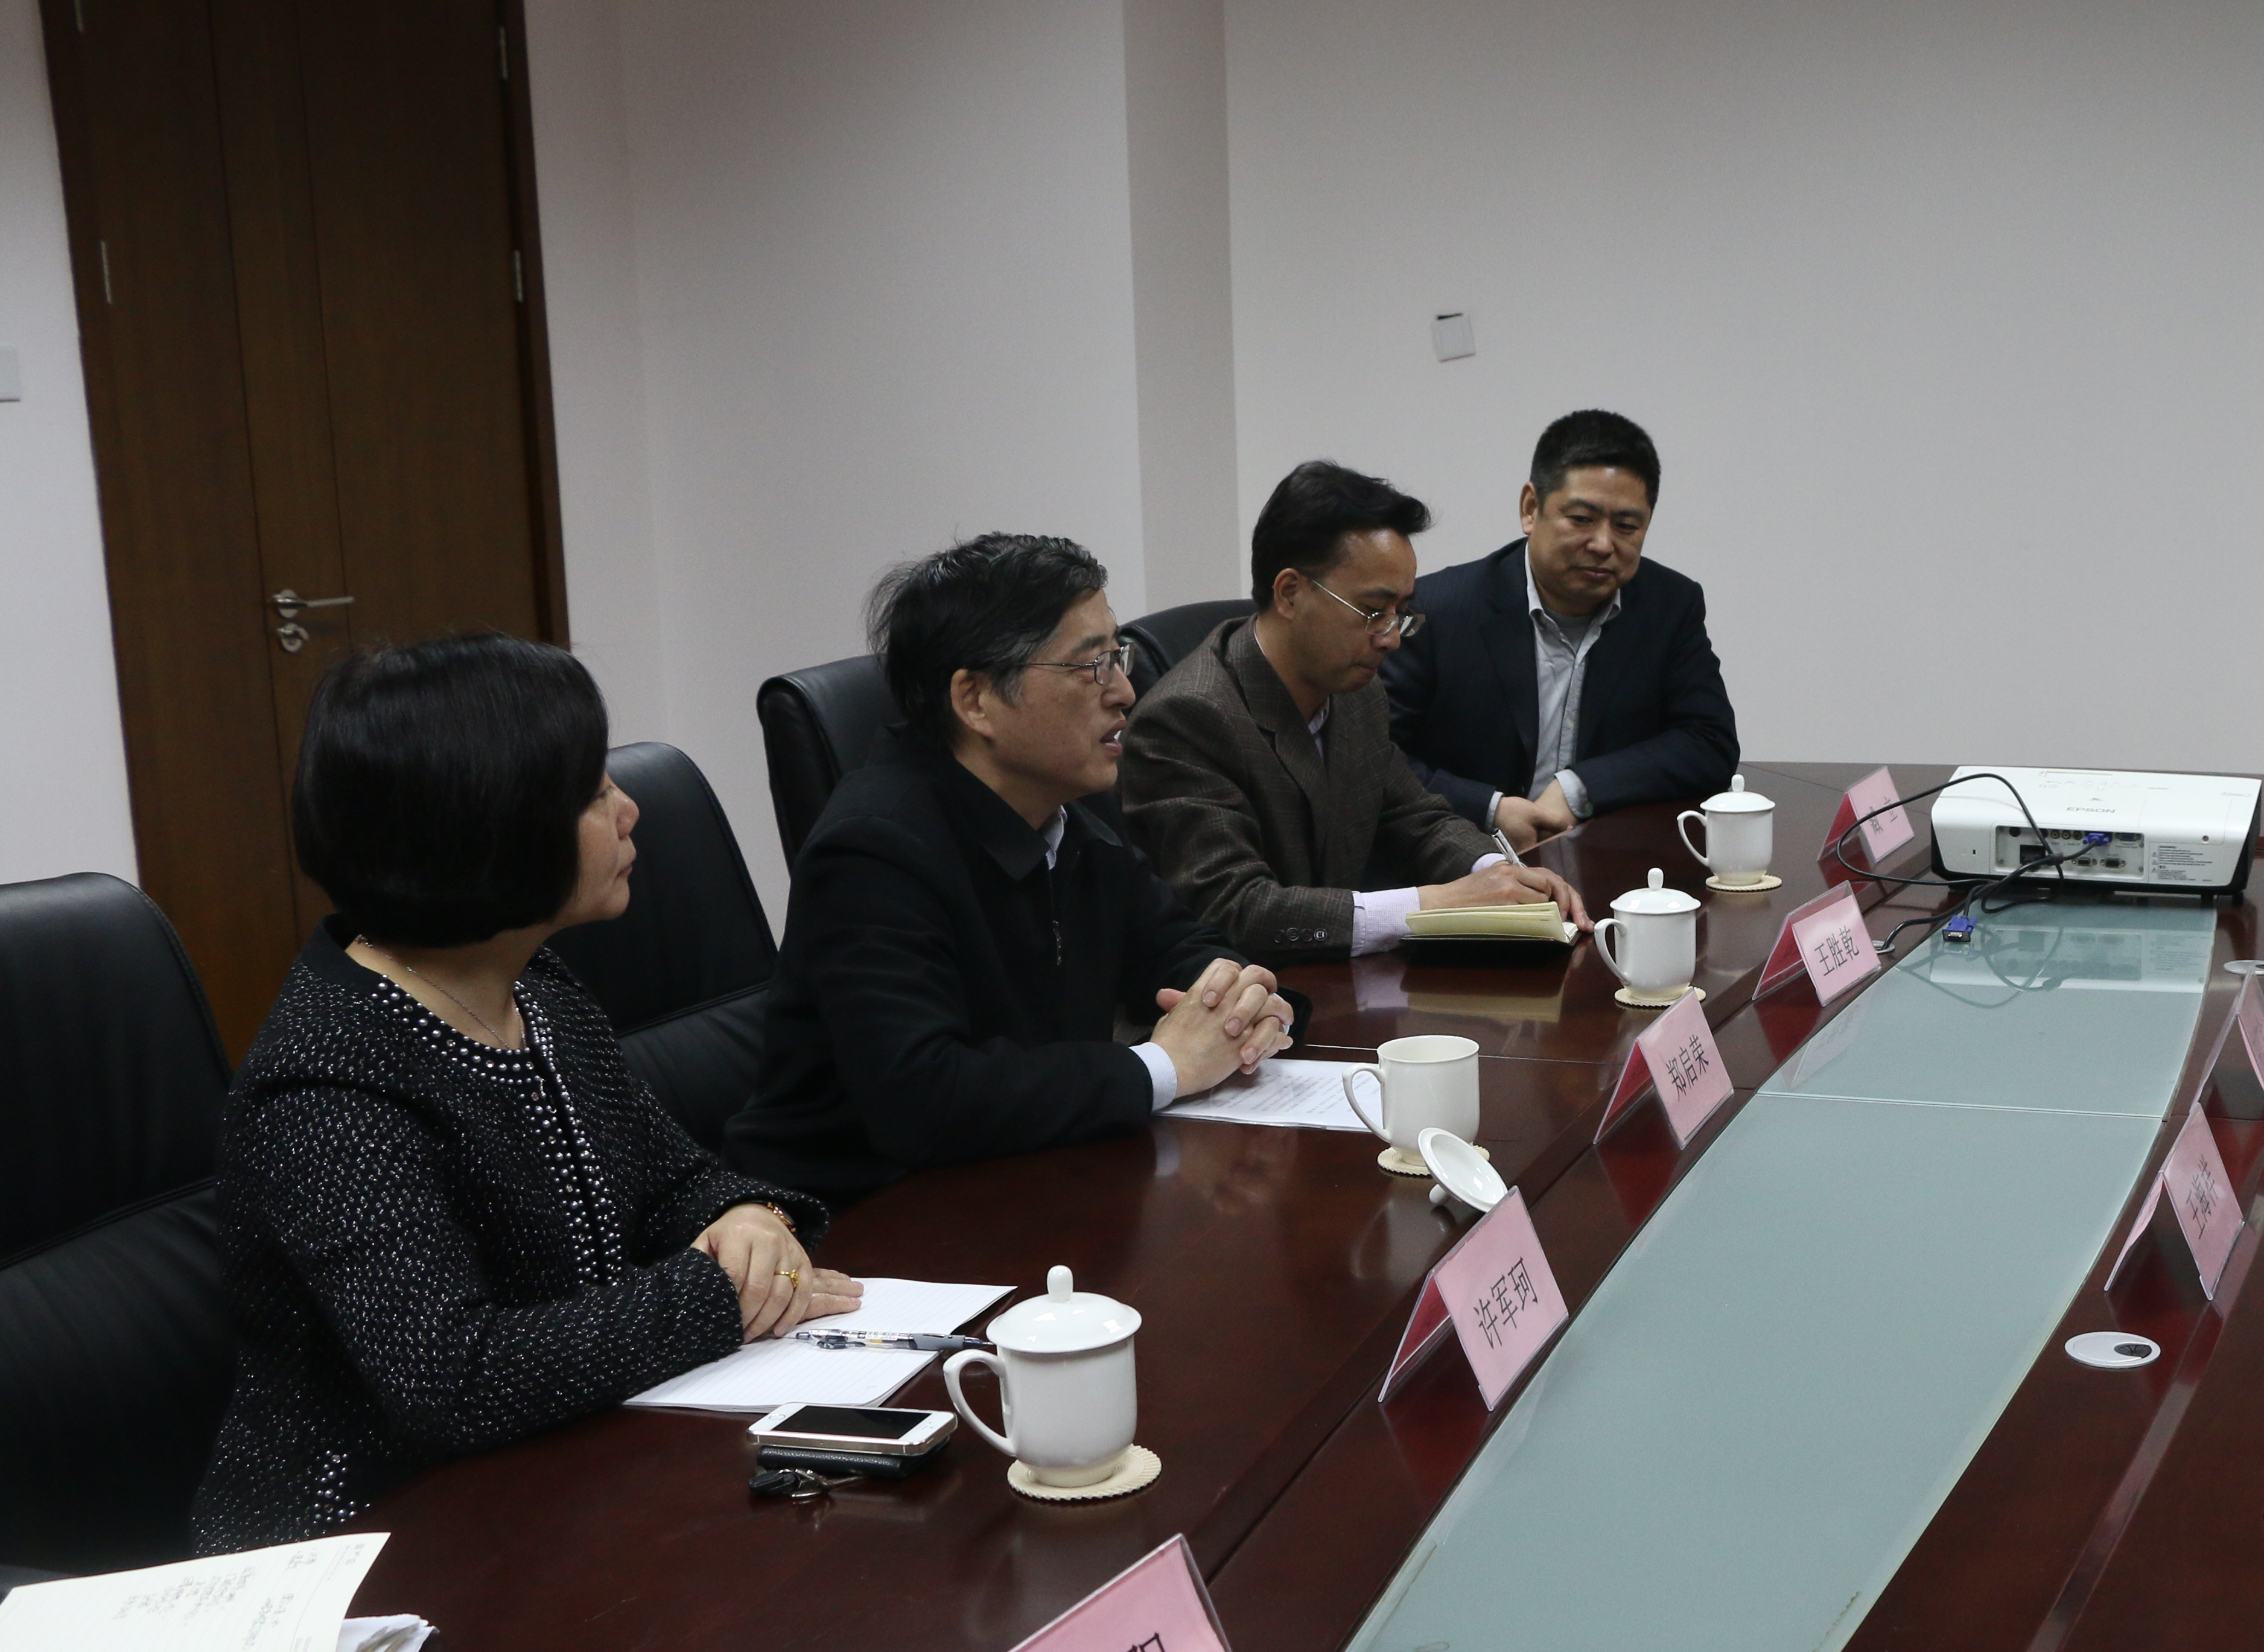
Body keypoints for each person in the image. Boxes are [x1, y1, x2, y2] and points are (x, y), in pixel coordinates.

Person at [197, 636, 853, 1551]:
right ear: (485, 829)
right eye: (591, 793)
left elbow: (671, 1183)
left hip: (565, 1470)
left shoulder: (535, 989)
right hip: (362, 1550)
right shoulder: (325, 1087)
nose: (629, 808)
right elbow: (456, 1380)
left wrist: (749, 1218)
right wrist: (718, 1294)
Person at [727, 534, 1297, 1204]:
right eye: (1091, 666)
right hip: (860, 1220)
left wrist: (1242, 1004)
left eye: (1118, 657)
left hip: (1031, 1179)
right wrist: (1164, 1067)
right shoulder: (872, 851)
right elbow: (923, 1098)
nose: (1125, 691)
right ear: (975, 700)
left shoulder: (1070, 806)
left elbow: (1176, 946)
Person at [1121, 462, 1591, 961]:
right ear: (1290, 593)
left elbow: (1415, 816)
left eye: (1400, 613)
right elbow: (1238, 909)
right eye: (1372, 612)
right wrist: (1431, 904)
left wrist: (1497, 874)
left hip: (1337, 979)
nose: (1391, 639)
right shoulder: (1186, 719)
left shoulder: (1354, 690)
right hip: (1235, 993)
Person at [1385, 410, 1740, 847]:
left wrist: (1580, 788)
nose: (1604, 544)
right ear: (1531, 508)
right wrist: (1489, 808)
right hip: (1463, 858)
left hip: (1605, 860)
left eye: (1627, 527)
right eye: (1582, 519)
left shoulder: (1669, 606)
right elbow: (1376, 758)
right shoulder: (1437, 610)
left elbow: (1709, 741)